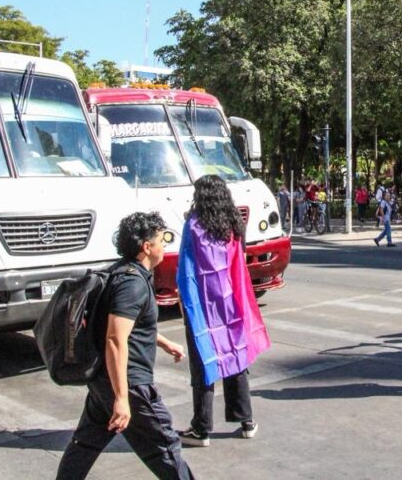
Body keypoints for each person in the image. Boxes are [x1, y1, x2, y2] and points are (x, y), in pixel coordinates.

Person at [57, 212, 193, 480]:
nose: (165, 245)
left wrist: (164, 343)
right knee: (165, 449)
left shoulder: (121, 273)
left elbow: (130, 326)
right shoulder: (132, 284)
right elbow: (115, 339)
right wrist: (122, 398)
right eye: (162, 239)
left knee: (84, 446)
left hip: (102, 382)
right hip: (129, 385)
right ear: (147, 247)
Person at [177, 175, 269, 447]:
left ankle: (201, 429)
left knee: (204, 362)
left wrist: (184, 303)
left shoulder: (193, 225)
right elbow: (238, 264)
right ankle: (246, 420)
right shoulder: (233, 225)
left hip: (203, 305)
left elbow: (186, 268)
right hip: (230, 301)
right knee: (235, 357)